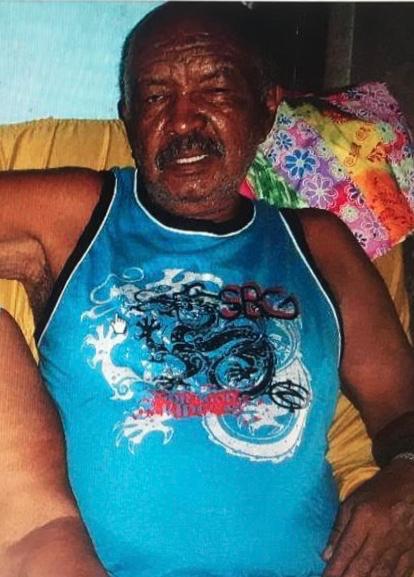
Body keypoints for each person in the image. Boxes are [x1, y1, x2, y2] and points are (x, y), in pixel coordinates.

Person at [0, 3, 414, 577]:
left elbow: (402, 405)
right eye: (155, 96)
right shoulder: (76, 214)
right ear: (127, 117)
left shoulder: (319, 244)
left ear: (266, 106)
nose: (182, 121)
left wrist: (407, 474)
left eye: (215, 91)